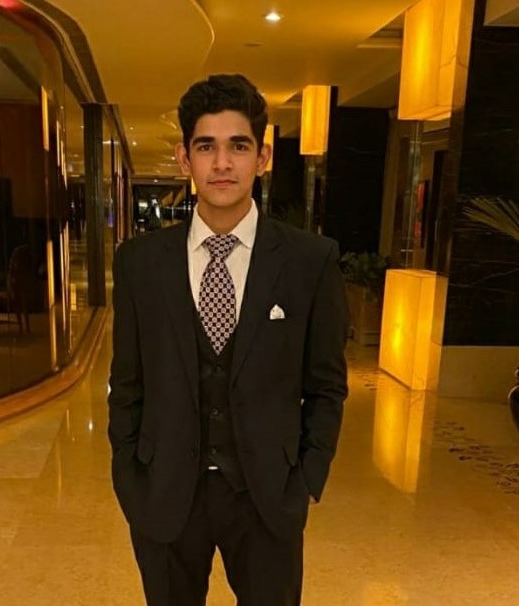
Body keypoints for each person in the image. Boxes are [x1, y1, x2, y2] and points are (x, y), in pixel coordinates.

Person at [108, 73, 349, 606]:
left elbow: (327, 385)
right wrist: (129, 474)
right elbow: (126, 382)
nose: (222, 163)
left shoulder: (310, 262)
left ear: (262, 157)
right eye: (206, 146)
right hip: (164, 492)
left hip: (267, 497)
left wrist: (307, 475)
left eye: (238, 146)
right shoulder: (140, 264)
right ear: (184, 158)